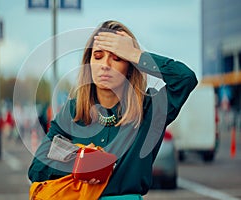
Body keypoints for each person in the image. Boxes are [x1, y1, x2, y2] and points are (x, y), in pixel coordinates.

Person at [28, 20, 198, 199]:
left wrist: (135, 54)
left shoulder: (150, 109)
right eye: (98, 56)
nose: (105, 65)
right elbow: (36, 168)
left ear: (130, 66)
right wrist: (78, 160)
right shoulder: (73, 111)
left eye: (117, 57)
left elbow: (185, 78)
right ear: (89, 62)